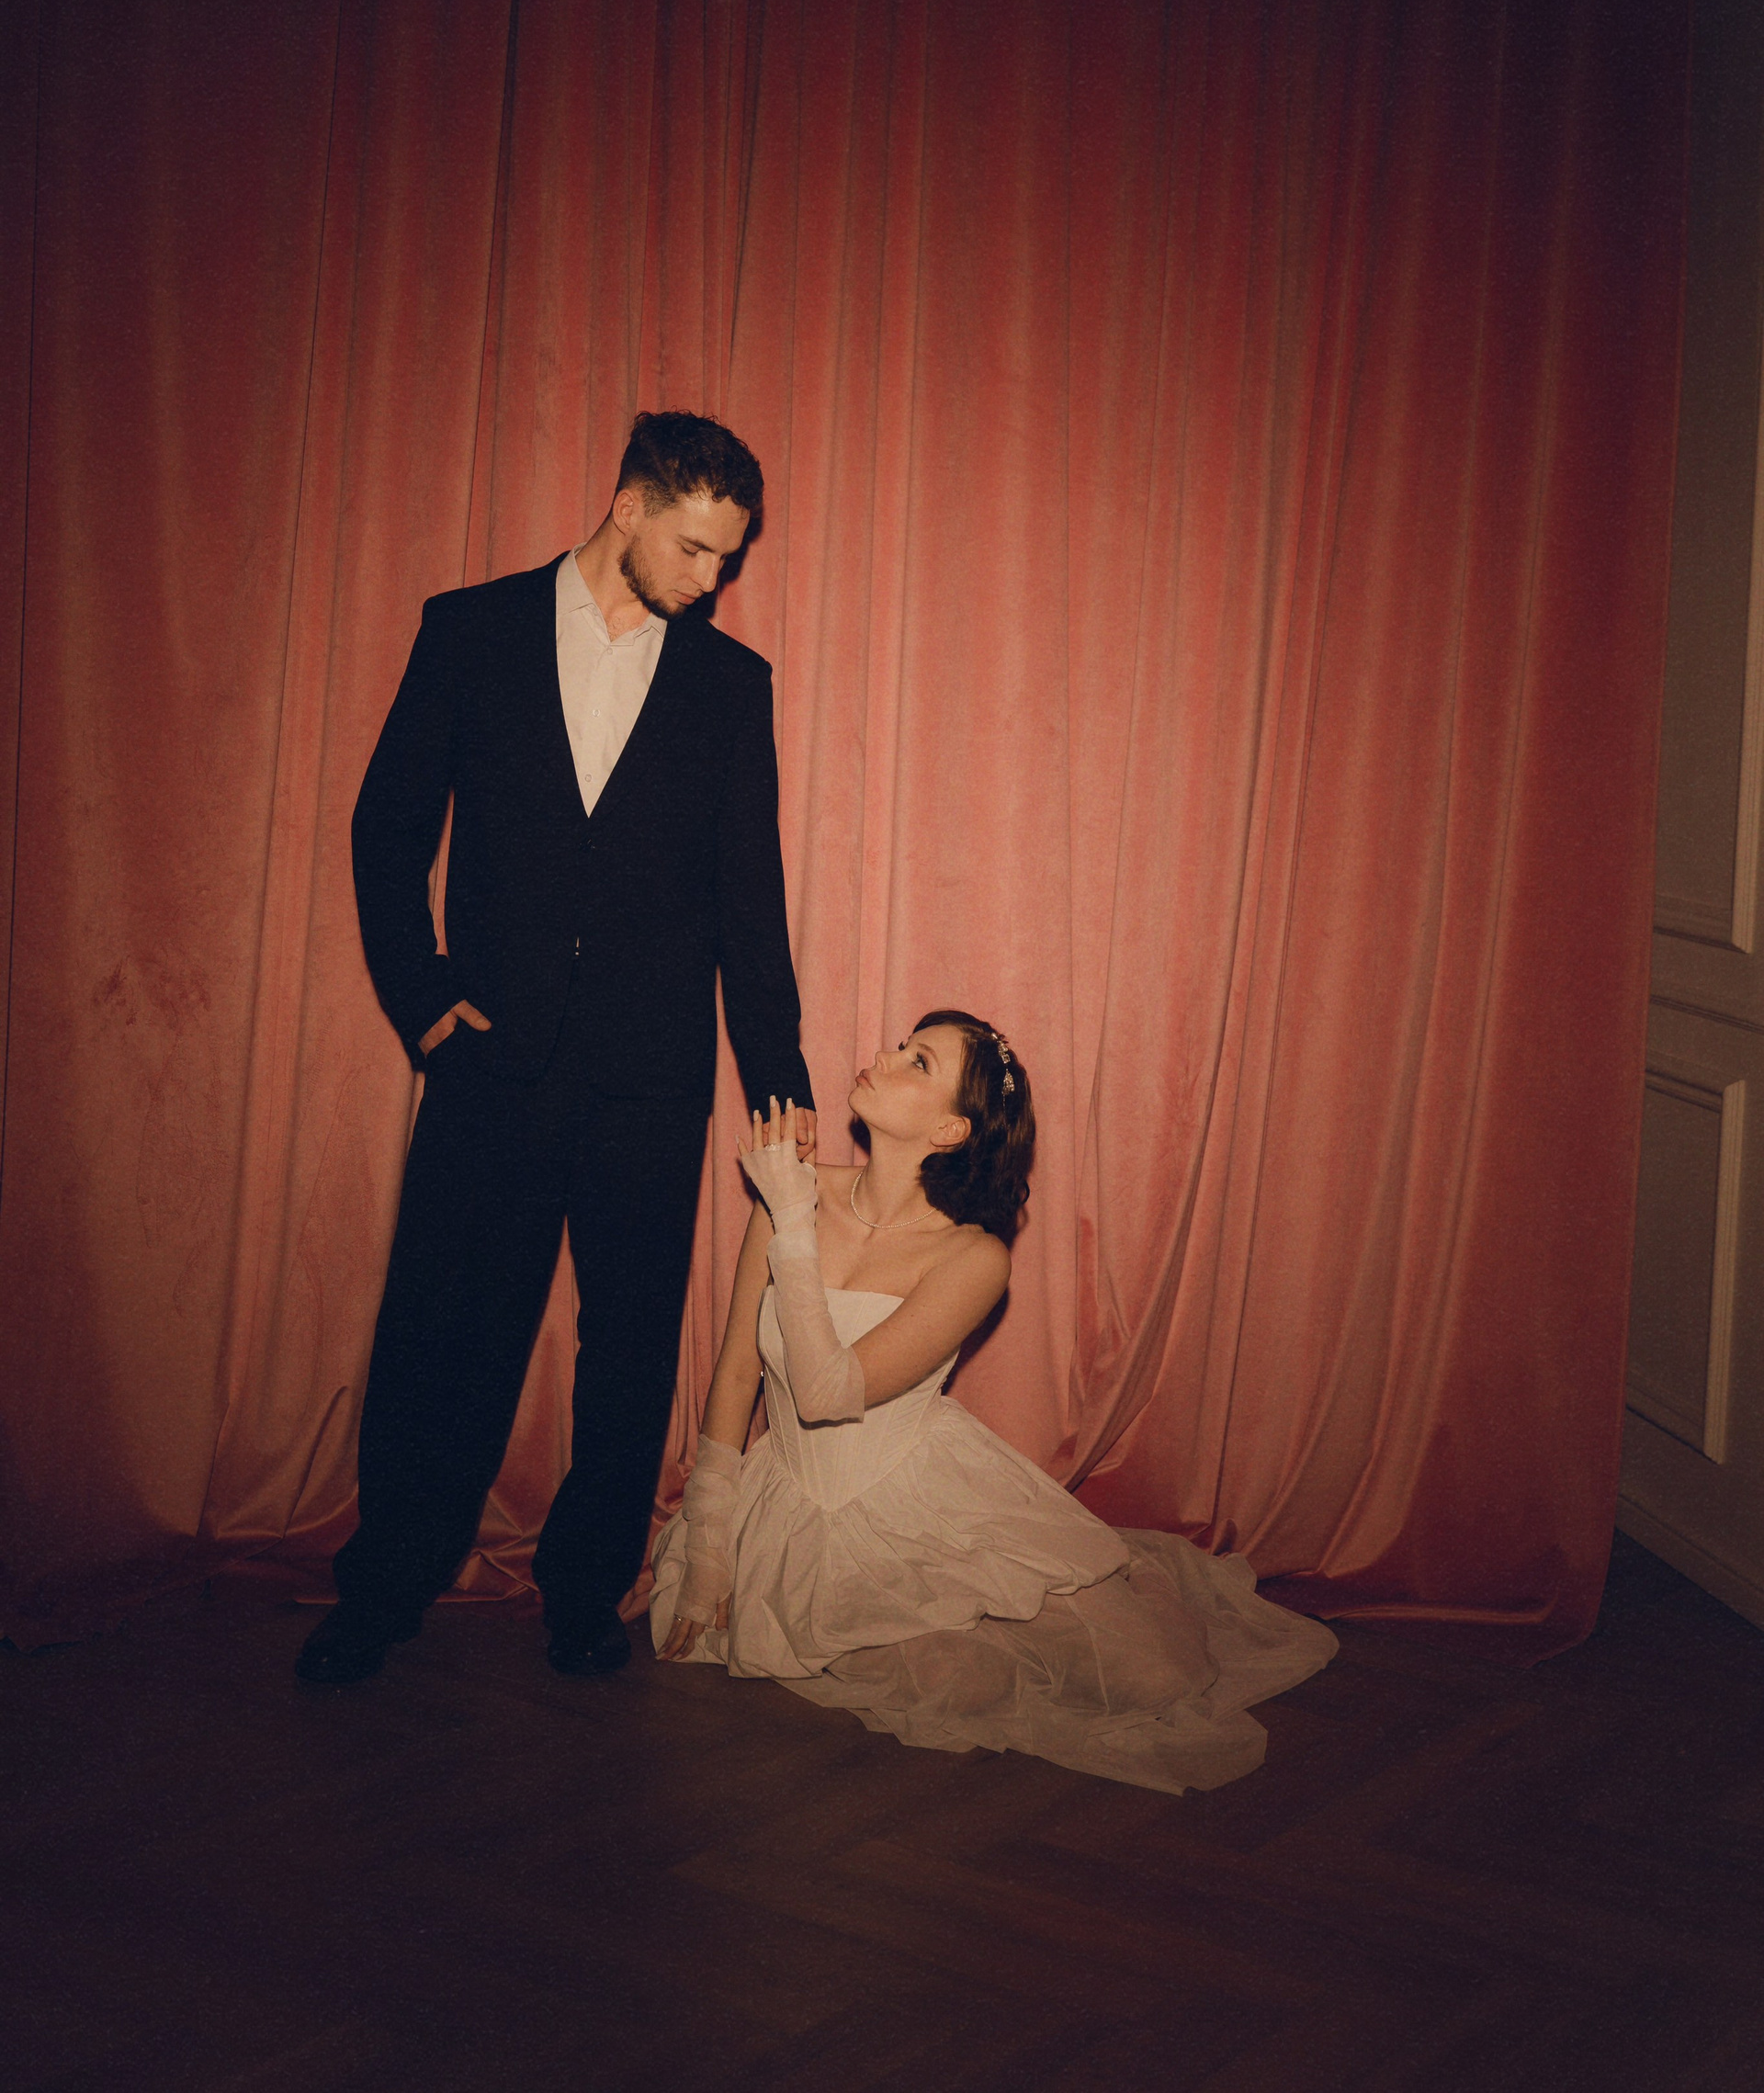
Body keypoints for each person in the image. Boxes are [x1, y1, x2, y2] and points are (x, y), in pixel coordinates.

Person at [298, 412, 816, 1687]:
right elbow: (385, 829)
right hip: (490, 1061)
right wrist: (425, 1002)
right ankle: (385, 1589)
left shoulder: (730, 685)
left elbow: (751, 902)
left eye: (729, 556)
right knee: (442, 1334)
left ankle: (585, 1596)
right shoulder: (469, 630)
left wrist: (781, 1081)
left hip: (651, 1079)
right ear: (629, 506)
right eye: (695, 547)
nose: (712, 578)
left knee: (629, 1350)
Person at [650, 1017, 1336, 1794]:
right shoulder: (794, 1191)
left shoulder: (974, 1258)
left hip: (915, 1500)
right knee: (953, 1678)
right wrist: (710, 1548)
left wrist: (792, 1219)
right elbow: (736, 1373)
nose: (882, 1057)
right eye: (901, 1045)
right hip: (787, 1505)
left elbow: (825, 1391)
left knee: (1153, 1678)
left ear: (951, 1128)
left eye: (918, 1061)